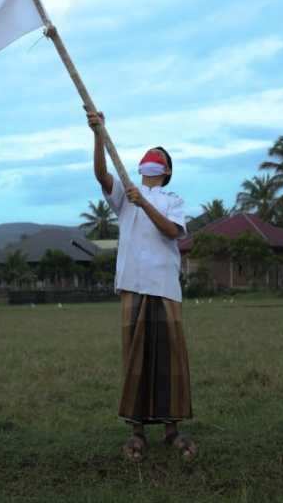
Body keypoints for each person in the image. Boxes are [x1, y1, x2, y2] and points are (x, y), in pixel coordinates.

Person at [87, 109, 195, 462]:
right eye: (147, 156)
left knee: (170, 360)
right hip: (133, 284)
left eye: (158, 158)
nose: (152, 160)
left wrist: (144, 204)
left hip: (164, 286)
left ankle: (172, 429)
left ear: (165, 171)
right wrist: (99, 134)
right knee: (135, 359)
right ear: (139, 166)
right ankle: (136, 432)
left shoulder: (174, 201)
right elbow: (101, 174)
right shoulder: (124, 195)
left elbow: (171, 232)